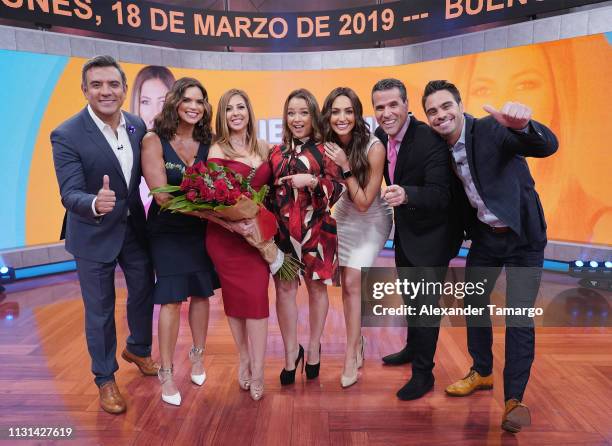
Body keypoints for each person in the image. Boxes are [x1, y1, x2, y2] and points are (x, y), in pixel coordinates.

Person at [422, 79, 558, 433]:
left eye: (445, 106)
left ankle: (514, 399)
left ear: (459, 104)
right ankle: (481, 371)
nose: (440, 115)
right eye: (432, 111)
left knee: (518, 316)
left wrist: (524, 126)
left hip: (524, 237)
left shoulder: (489, 130)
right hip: (486, 236)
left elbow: (546, 146)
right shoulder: (438, 149)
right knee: (473, 302)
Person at [51, 55, 157, 414]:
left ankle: (139, 349)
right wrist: (95, 201)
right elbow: (69, 193)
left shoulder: (137, 126)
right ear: (84, 90)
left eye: (113, 84)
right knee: (100, 310)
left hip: (133, 229)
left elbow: (149, 173)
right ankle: (105, 378)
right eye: (96, 84)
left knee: (144, 289)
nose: (105, 91)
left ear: (125, 89)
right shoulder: (66, 134)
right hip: (93, 232)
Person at [373, 78, 462, 400]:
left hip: (434, 236)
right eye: (380, 107)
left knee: (425, 306)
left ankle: (423, 374)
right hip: (407, 235)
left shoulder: (429, 140)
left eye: (393, 104)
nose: (387, 112)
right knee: (412, 299)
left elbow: (441, 195)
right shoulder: (381, 136)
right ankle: (412, 349)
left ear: (407, 105)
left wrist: (407, 194)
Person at [141, 78, 219, 406]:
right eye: (187, 99)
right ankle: (167, 372)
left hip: (201, 232)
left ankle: (198, 356)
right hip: (168, 231)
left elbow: (221, 186)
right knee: (172, 299)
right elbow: (161, 196)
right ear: (174, 102)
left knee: (202, 294)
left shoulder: (210, 142)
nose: (193, 106)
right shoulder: (153, 140)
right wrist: (210, 208)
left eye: (200, 101)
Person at [268, 89, 345, 386]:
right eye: (291, 113)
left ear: (314, 115)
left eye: (303, 112)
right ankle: (291, 352)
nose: (297, 119)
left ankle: (313, 347)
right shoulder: (275, 152)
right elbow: (267, 196)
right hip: (283, 235)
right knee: (284, 292)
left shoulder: (328, 150)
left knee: (316, 291)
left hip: (317, 232)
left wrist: (312, 181)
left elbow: (338, 188)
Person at [321, 87, 392, 387]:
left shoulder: (374, 147)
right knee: (345, 285)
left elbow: (364, 202)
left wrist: (345, 166)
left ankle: (351, 355)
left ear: (357, 114)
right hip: (344, 216)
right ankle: (357, 341)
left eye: (348, 111)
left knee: (352, 281)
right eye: (336, 111)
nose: (342, 117)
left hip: (372, 218)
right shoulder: (325, 143)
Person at [205, 89, 272, 401]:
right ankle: (243, 357)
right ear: (223, 114)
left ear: (249, 111)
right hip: (226, 237)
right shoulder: (217, 148)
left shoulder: (265, 147)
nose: (235, 113)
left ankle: (258, 368)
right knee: (233, 301)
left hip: (257, 238)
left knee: (257, 301)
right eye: (229, 108)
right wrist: (234, 223)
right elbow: (212, 197)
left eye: (240, 107)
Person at [130, 66, 176, 213]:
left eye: (162, 102)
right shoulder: (127, 149)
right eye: (145, 102)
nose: (155, 112)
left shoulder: (192, 147)